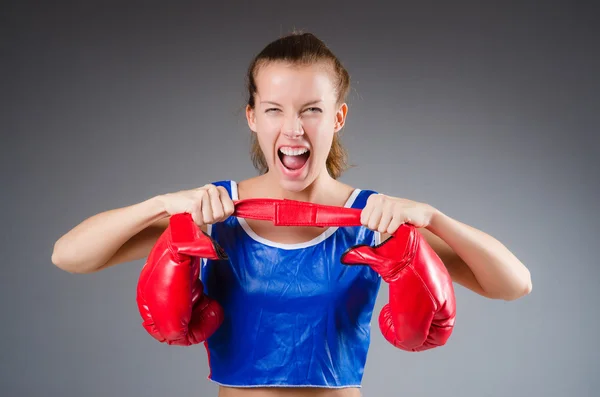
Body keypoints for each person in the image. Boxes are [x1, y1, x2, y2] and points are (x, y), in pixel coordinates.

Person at [51, 32, 532, 397]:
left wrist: (433, 217)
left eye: (312, 110)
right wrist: (159, 205)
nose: (294, 128)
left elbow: (514, 283)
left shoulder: (373, 219)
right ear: (253, 117)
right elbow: (68, 256)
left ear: (337, 118)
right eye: (275, 109)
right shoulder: (213, 212)